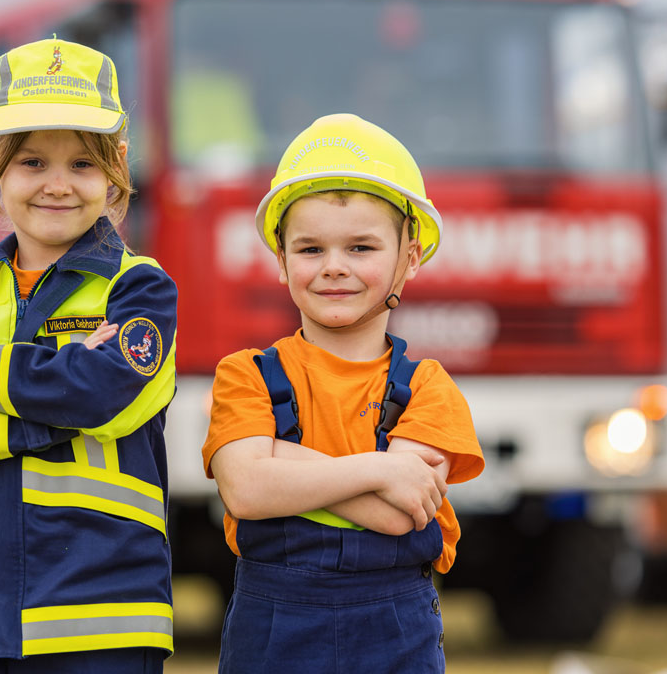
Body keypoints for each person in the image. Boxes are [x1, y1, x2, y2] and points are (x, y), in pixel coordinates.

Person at [0, 38, 178, 673]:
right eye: (31, 162)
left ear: (118, 167)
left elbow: (100, 391)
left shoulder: (140, 288)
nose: (58, 184)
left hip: (104, 626)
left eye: (82, 163)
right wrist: (54, 411)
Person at [202, 113, 485, 673]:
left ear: (409, 259)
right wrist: (380, 470)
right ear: (280, 261)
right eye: (310, 249)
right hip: (273, 637)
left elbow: (398, 515)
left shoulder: (428, 387)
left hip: (393, 636)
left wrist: (279, 460)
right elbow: (246, 492)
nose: (333, 268)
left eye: (361, 248)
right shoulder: (245, 374)